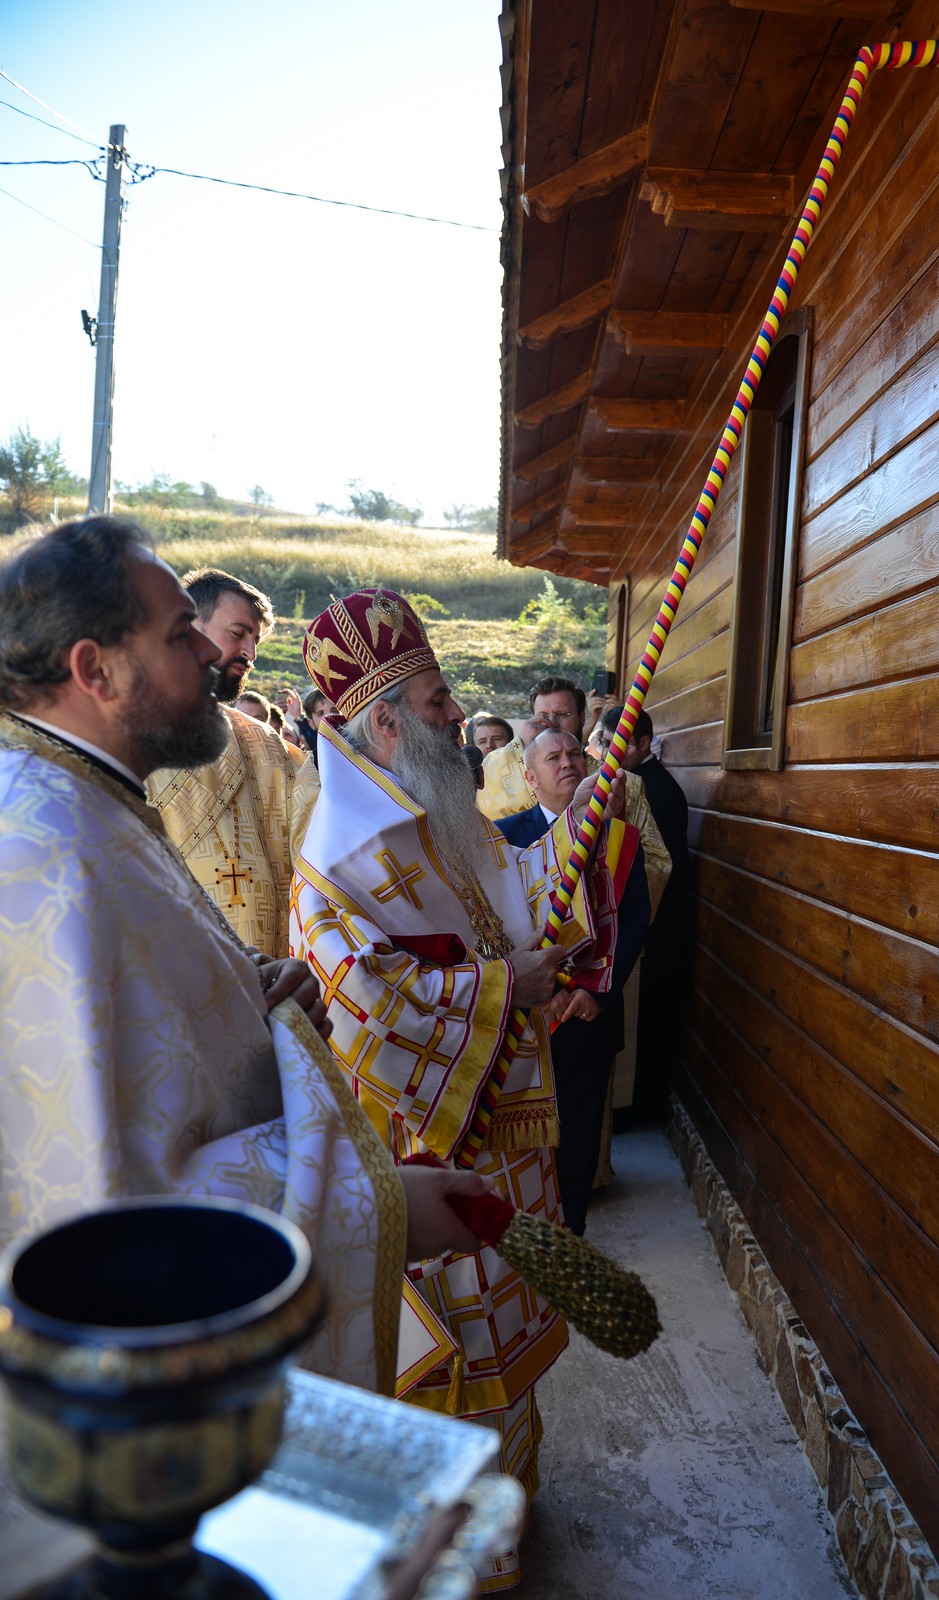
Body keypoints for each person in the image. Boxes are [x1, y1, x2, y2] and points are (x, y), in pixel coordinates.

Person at [0, 515, 493, 1400]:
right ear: (93, 670)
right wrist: (376, 1209)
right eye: (177, 633)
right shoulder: (52, 858)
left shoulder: (84, 806)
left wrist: (247, 991)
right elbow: (103, 1201)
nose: (210, 655)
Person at [290, 588, 627, 1591]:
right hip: (432, 1156)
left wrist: (580, 818)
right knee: (446, 1360)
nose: (456, 712)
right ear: (386, 720)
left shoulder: (440, 809)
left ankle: (507, 1510)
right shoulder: (336, 857)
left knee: (506, 1346)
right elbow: (361, 1006)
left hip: (504, 1140)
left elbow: (516, 882)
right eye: (438, 698)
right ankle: (450, 1557)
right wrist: (496, 986)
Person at [496, 731, 649, 1235]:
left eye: (575, 754)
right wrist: (545, 987)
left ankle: (572, 1240)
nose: (567, 762)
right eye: (553, 757)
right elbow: (496, 923)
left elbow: (632, 920)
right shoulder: (502, 838)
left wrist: (595, 989)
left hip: (587, 1017)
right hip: (527, 1016)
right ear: (530, 778)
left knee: (578, 1138)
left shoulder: (618, 838)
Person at [145, 567, 301, 958]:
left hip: (264, 970)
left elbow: (314, 826)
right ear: (186, 625)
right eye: (238, 634)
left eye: (255, 640)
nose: (249, 653)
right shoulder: (122, 727)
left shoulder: (264, 742)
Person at [479, 674, 673, 918]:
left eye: (562, 715)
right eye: (542, 717)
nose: (551, 724)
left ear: (583, 717)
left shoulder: (626, 783)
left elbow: (656, 864)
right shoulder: (501, 770)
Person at [600, 702, 691, 1123]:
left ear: (642, 743)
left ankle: (639, 1111)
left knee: (647, 1028)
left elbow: (657, 867)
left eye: (616, 743)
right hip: (640, 929)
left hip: (652, 931)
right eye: (604, 743)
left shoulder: (654, 789)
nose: (607, 753)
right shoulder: (635, 780)